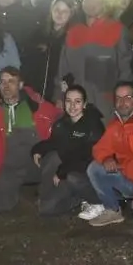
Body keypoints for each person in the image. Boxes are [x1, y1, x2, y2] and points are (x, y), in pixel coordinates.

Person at [0, 66, 59, 212]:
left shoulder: (38, 106)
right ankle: (16, 194)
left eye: (11, 81)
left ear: (21, 85)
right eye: (2, 82)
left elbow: (61, 123)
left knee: (55, 158)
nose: (6, 86)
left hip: (37, 163)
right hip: (7, 167)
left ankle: (47, 197)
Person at [83, 81, 133, 227]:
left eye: (128, 97)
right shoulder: (116, 125)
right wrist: (106, 158)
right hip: (130, 180)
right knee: (94, 168)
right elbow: (99, 148)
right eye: (119, 98)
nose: (122, 102)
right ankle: (112, 210)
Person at [29, 83, 104, 216]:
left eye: (77, 101)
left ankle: (86, 198)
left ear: (84, 104)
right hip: (67, 171)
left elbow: (88, 156)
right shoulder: (62, 123)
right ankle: (51, 197)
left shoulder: (93, 124)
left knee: (72, 178)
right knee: (45, 208)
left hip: (84, 175)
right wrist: (38, 149)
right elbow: (53, 142)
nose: (72, 106)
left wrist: (62, 171)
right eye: (68, 101)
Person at [55, 0, 132, 110]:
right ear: (82, 3)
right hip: (76, 103)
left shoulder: (117, 29)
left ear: (104, 4)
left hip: (106, 104)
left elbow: (126, 68)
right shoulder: (73, 31)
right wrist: (60, 95)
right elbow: (63, 69)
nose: (92, 3)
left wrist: (123, 99)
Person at [26, 0, 75, 106]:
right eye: (57, 10)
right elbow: (28, 61)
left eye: (64, 11)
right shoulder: (38, 33)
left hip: (57, 93)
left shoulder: (73, 37)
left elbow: (74, 69)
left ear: (70, 14)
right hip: (36, 90)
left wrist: (62, 94)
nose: (59, 14)